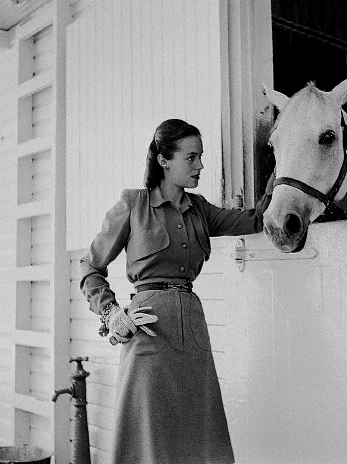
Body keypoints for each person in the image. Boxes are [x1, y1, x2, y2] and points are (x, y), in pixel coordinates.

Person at [79, 118, 273, 464]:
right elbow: (90, 267)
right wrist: (112, 313)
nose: (200, 166)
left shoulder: (201, 210)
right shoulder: (133, 205)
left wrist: (283, 168)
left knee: (198, 436)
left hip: (193, 332)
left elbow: (257, 219)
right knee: (150, 438)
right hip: (149, 332)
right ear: (164, 160)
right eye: (191, 157)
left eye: (200, 157)